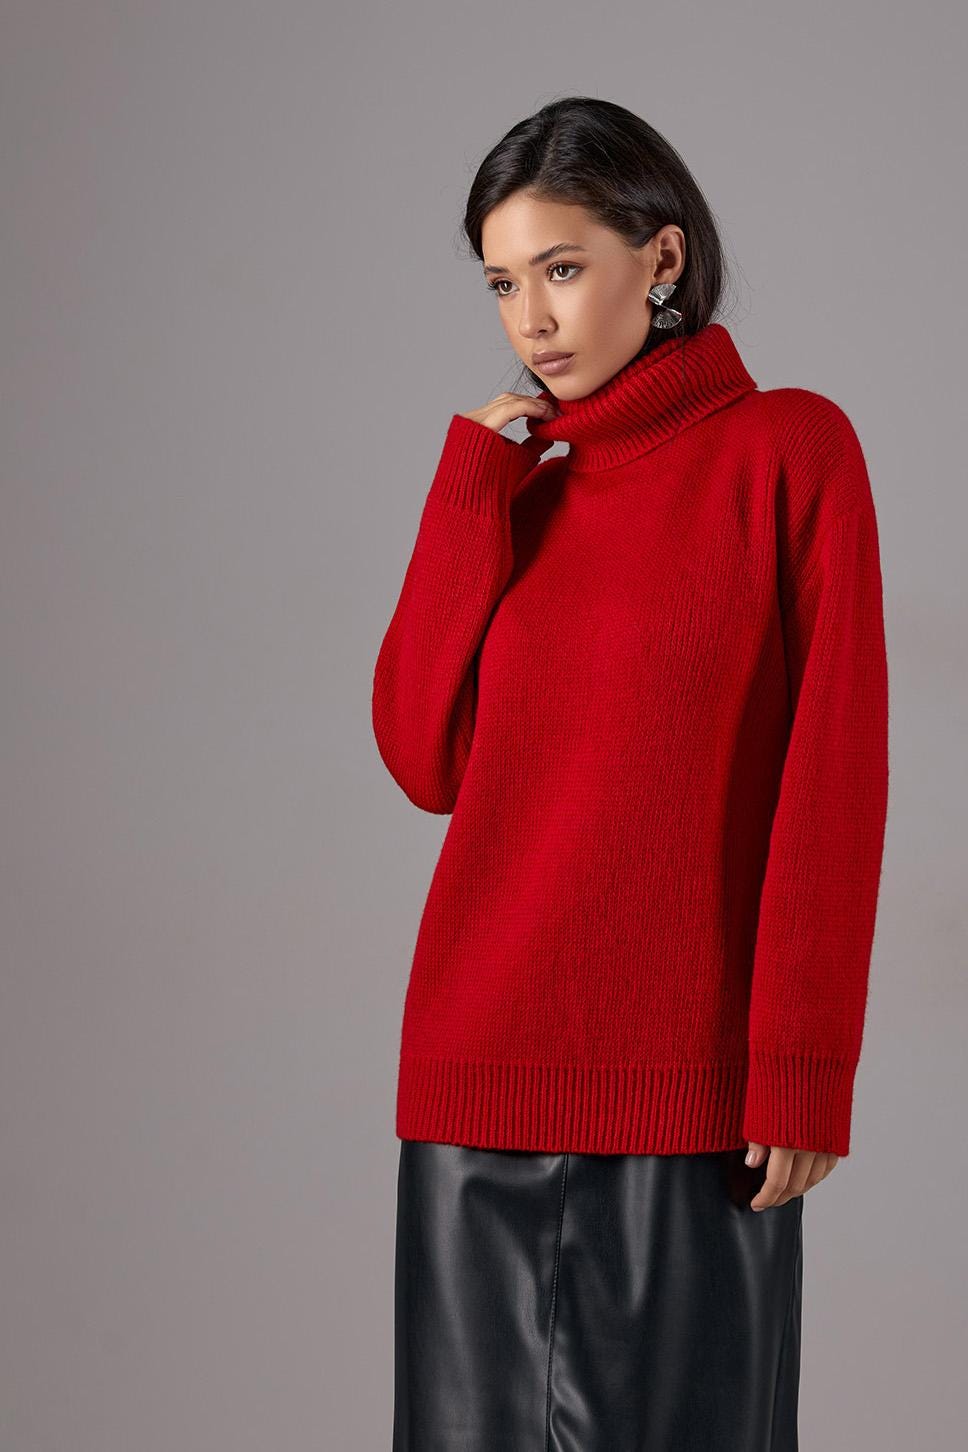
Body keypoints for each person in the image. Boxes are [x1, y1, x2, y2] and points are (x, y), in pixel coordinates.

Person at [371, 95, 889, 1452]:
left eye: (561, 268)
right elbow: (423, 755)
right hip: (476, 1083)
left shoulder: (789, 450)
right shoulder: (518, 491)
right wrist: (468, 491)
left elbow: (833, 781)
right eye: (503, 283)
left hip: (686, 1098)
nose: (531, 319)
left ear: (661, 259)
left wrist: (802, 1070)